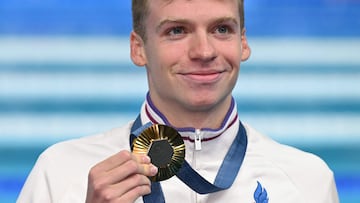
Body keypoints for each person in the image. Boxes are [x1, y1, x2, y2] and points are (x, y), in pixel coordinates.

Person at [17, 0, 339, 202]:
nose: (204, 51)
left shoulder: (307, 180)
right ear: (138, 48)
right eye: (177, 31)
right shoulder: (61, 171)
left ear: (243, 43)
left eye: (222, 29)